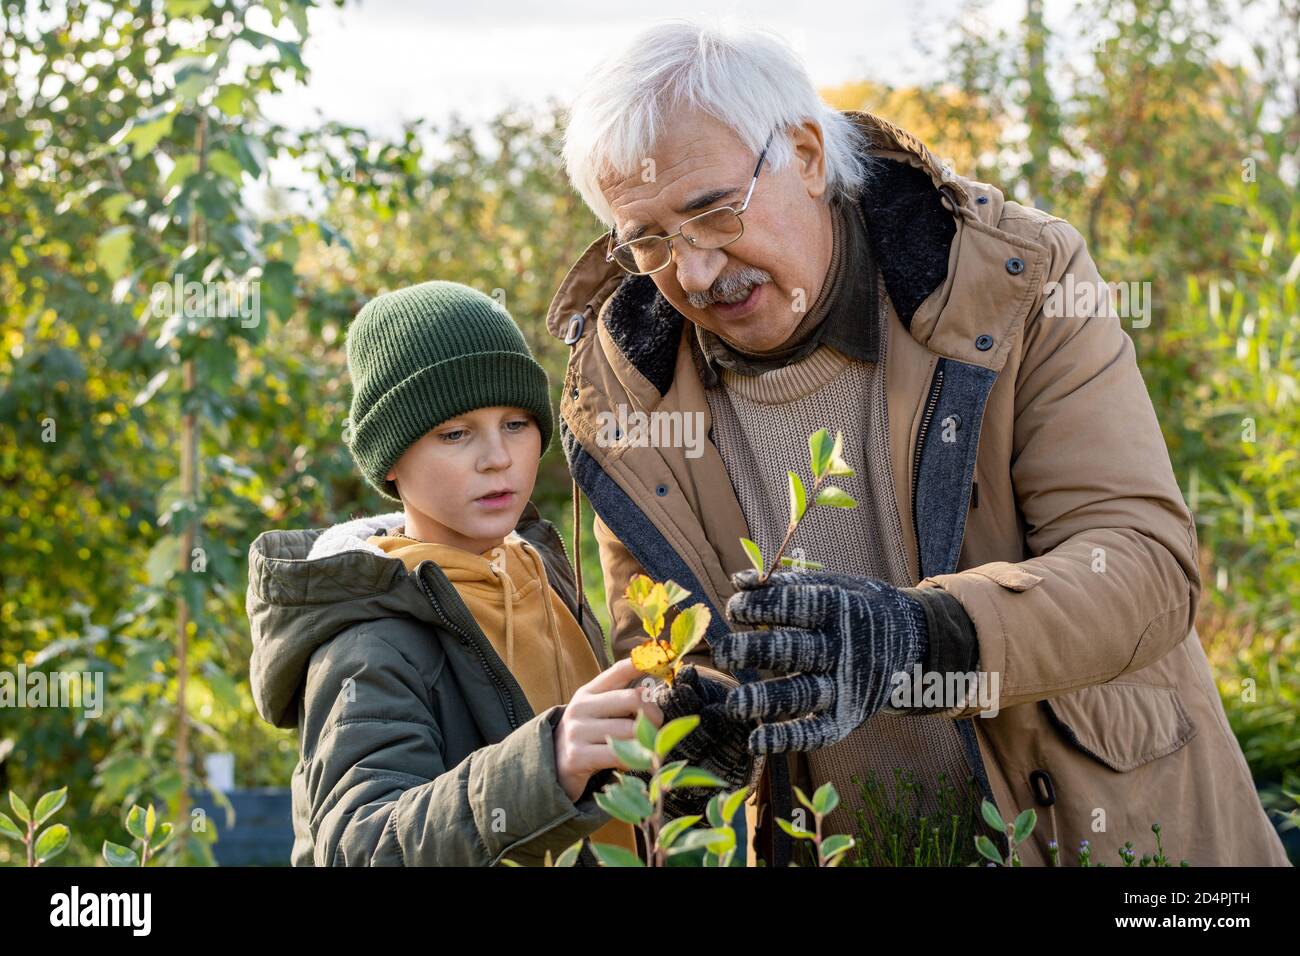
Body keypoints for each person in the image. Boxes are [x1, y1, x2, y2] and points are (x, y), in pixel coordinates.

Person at [549, 19, 1290, 865]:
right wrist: (693, 731)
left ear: (805, 154)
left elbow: (1146, 566)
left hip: (1107, 836)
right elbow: (670, 657)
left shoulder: (1015, 278)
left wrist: (919, 639)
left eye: (713, 213)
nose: (699, 272)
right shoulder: (623, 394)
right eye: (648, 241)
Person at [245, 280, 749, 865]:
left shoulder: (541, 571)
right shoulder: (368, 634)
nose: (497, 457)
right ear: (390, 461)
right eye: (455, 433)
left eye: (516, 423)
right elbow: (360, 846)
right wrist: (544, 764)